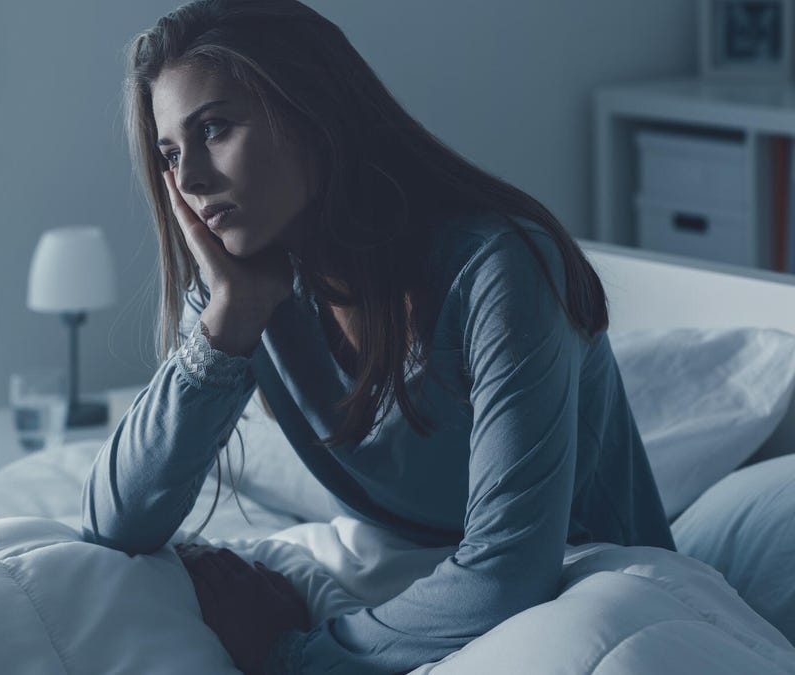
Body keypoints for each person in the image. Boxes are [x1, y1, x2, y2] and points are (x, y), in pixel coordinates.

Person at [80, 1, 676, 673]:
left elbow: (510, 571)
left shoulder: (499, 266)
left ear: (312, 110)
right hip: (415, 586)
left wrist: (293, 656)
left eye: (213, 128)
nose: (189, 179)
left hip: (591, 589)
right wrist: (230, 319)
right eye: (169, 153)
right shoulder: (245, 283)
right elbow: (114, 523)